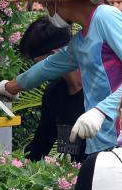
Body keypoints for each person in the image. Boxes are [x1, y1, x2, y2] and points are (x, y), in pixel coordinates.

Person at [0, 0, 122, 155]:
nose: (46, 10)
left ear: (57, 1)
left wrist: (101, 111)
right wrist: (11, 87)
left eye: (45, 4)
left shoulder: (106, 17)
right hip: (99, 143)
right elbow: (48, 66)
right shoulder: (81, 42)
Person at [17, 17, 86, 161]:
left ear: (55, 56)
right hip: (71, 178)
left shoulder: (98, 90)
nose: (34, 72)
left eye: (37, 64)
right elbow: (41, 144)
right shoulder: (54, 93)